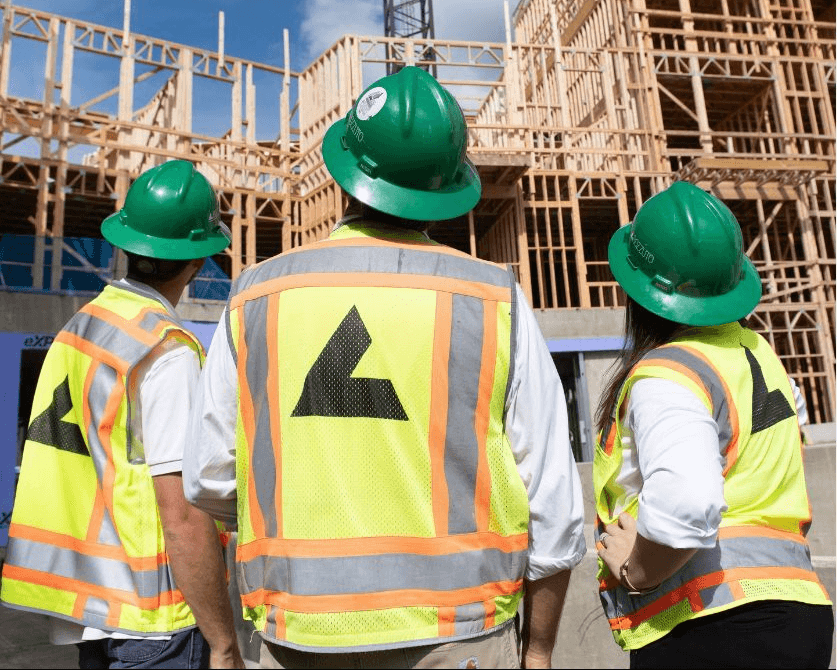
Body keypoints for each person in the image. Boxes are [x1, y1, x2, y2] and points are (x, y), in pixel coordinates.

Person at [183, 66, 586, 669]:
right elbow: (551, 499)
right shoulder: (491, 297)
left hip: (298, 632)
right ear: (445, 191)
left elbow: (209, 479)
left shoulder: (257, 295)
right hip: (457, 632)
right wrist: (540, 649)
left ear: (346, 178)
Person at [1, 160, 244, 669]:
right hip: (155, 624)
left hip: (95, 611)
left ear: (127, 246)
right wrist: (222, 640)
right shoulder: (165, 350)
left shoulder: (78, 330)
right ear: (198, 262)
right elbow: (180, 513)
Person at [593, 181, 834, 669]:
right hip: (797, 609)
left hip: (713, 623)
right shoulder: (758, 354)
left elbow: (688, 502)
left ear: (639, 291)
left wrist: (635, 568)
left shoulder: (669, 373)